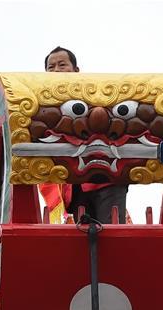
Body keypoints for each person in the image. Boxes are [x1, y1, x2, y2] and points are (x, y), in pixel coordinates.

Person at [44, 46, 129, 225]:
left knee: (113, 235)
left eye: (62, 65)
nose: (56, 70)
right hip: (75, 185)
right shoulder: (43, 106)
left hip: (107, 180)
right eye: (50, 67)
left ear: (76, 70)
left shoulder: (96, 94)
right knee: (82, 241)